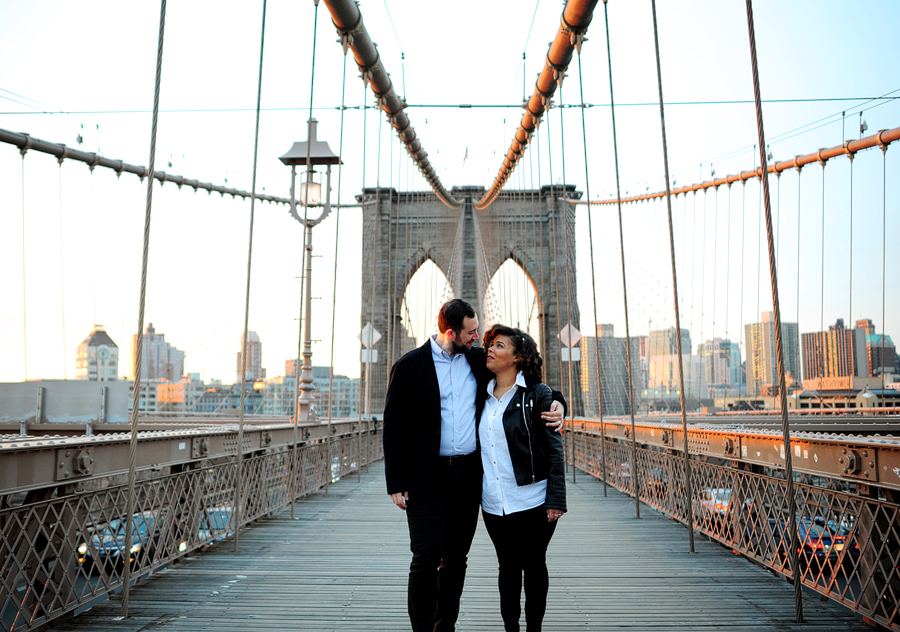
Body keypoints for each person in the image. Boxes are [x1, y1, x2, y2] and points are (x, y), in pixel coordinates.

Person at [383, 298, 566, 632]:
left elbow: (528, 380)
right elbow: (393, 426)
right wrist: (395, 481)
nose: (477, 337)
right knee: (425, 558)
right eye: (470, 331)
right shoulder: (410, 366)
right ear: (451, 332)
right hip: (426, 477)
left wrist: (559, 403)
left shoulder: (478, 360)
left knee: (455, 560)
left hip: (468, 477)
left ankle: (445, 626)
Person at [479, 324, 566, 632]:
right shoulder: (481, 395)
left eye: (500, 346)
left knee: (534, 564)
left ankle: (533, 630)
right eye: (490, 344)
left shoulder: (537, 396)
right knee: (507, 568)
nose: (490, 349)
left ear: (518, 358)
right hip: (494, 504)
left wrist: (556, 498)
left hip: (533, 501)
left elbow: (555, 451)